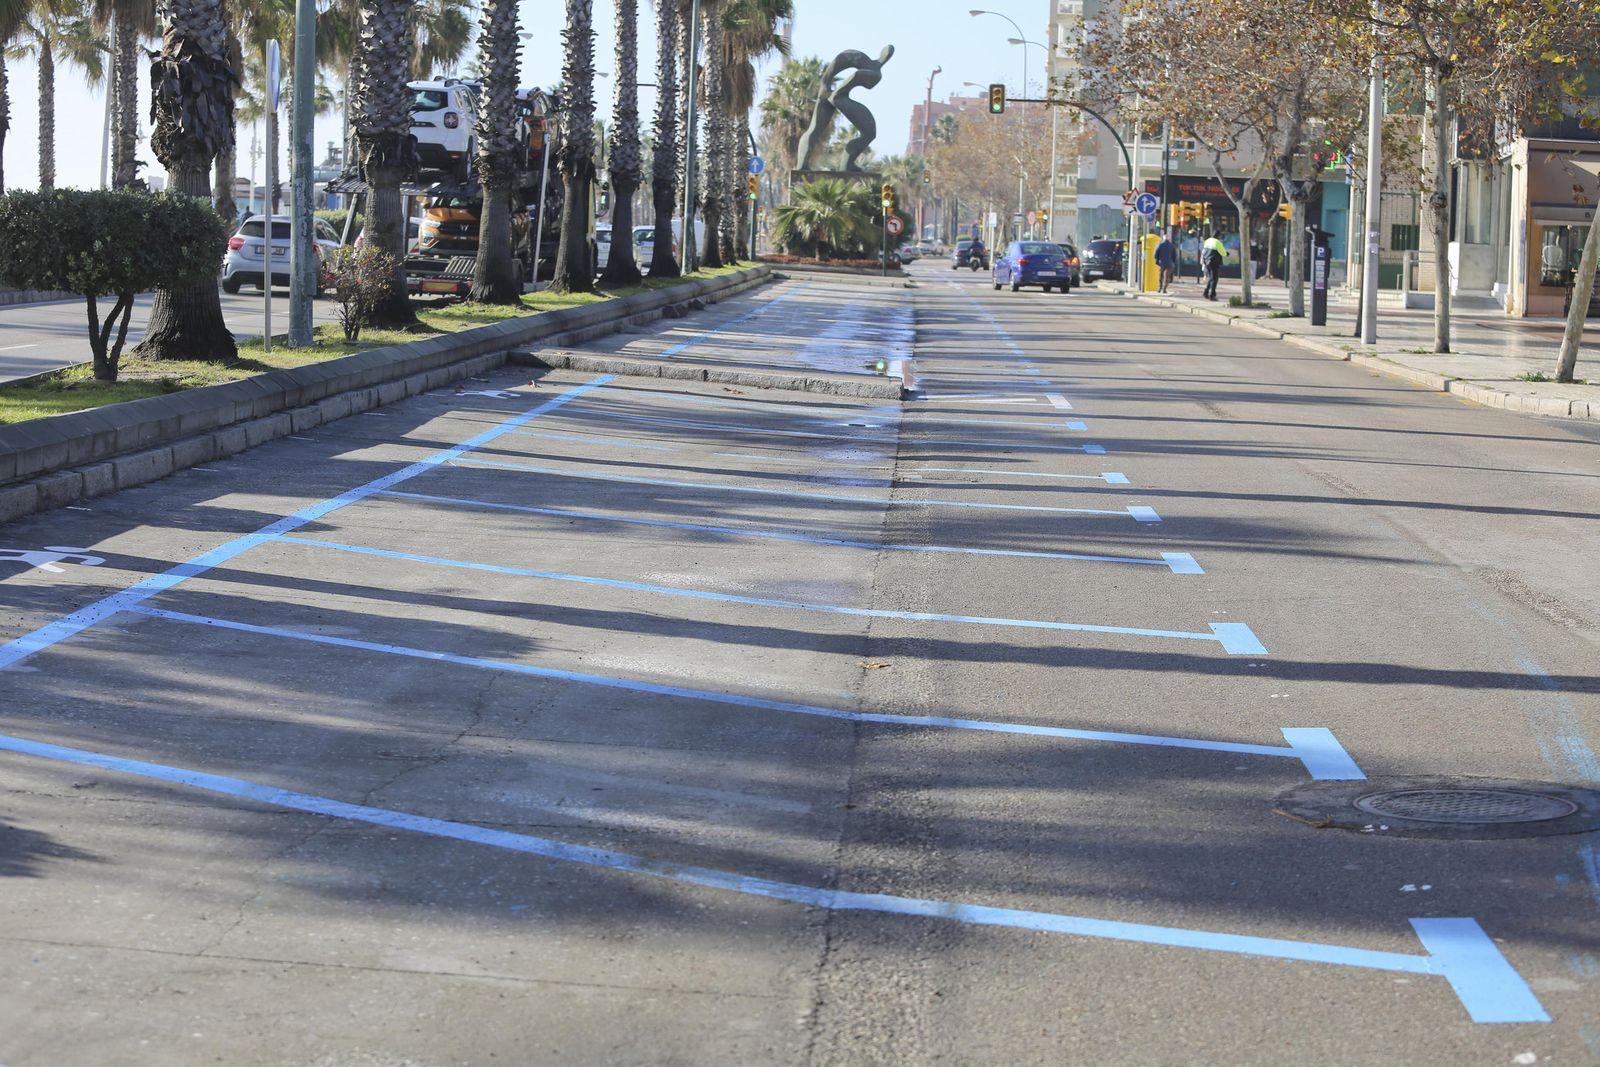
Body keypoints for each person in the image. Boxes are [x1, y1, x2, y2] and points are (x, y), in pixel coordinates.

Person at [1201, 232, 1227, 300]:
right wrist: (1226, 253)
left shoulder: (1207, 241)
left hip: (1206, 262)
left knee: (1211, 278)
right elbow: (1223, 253)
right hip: (1214, 262)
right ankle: (1212, 295)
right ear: (1218, 236)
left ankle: (1206, 292)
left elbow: (1203, 251)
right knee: (1214, 279)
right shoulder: (1217, 242)